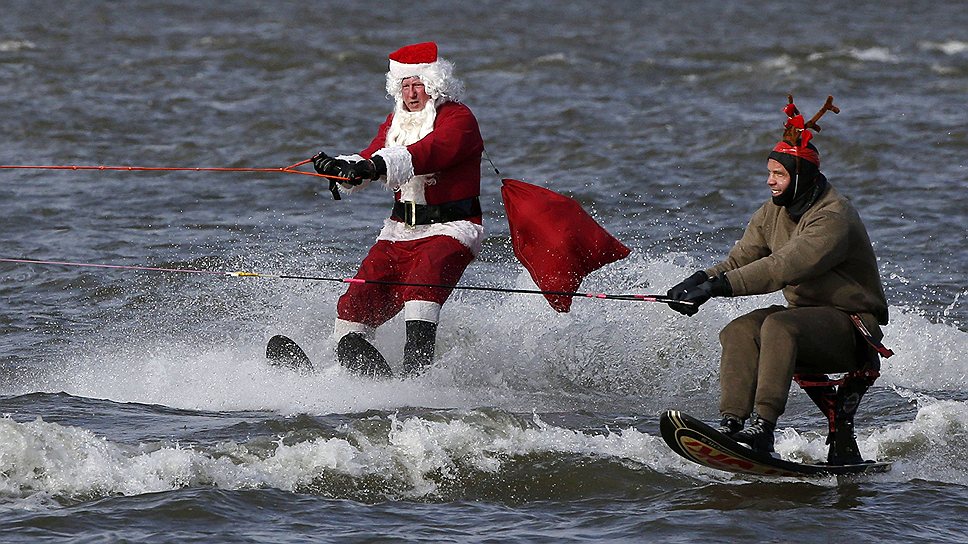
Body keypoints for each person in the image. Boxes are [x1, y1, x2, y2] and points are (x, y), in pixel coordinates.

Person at [666, 96, 889, 461]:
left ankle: (763, 428)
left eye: (778, 175)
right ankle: (732, 424)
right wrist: (698, 280)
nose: (769, 181)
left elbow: (783, 267)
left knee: (778, 327)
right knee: (738, 330)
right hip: (806, 321)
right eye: (769, 173)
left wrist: (716, 289)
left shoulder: (833, 217)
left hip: (852, 328)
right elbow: (741, 258)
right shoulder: (773, 211)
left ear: (800, 177)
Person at [311, 41, 484, 379]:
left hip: (449, 230)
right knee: (355, 299)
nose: (411, 92)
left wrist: (373, 166)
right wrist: (342, 170)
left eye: (417, 84)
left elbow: (429, 152)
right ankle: (336, 375)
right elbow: (373, 154)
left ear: (434, 84)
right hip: (400, 231)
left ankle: (418, 380)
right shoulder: (396, 121)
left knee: (424, 281)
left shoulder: (458, 119)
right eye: (404, 85)